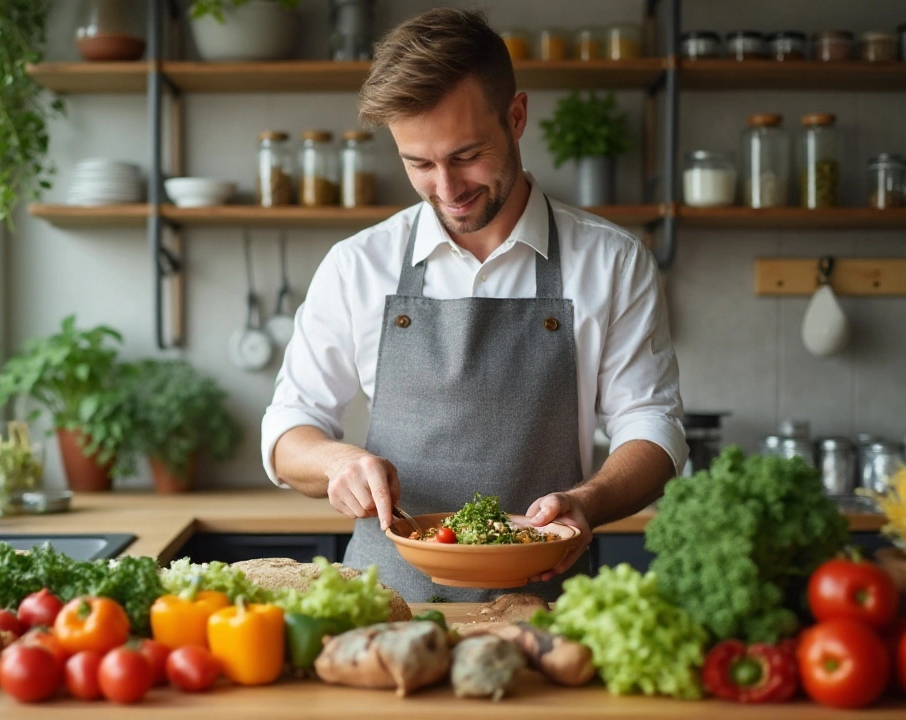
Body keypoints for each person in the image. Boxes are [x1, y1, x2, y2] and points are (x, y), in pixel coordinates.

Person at [259, 7, 686, 603]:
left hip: (547, 610)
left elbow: (653, 426)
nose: (448, 189)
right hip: (389, 605)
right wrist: (336, 463)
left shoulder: (613, 261)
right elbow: (287, 428)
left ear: (516, 117)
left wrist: (587, 501)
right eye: (419, 164)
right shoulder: (357, 264)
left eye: (465, 156)